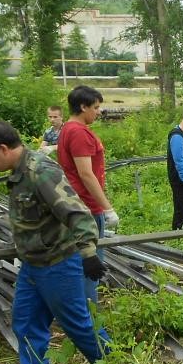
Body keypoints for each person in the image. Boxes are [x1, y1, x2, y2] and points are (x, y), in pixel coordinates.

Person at [0, 121, 111, 364]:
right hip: (33, 265)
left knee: (79, 325)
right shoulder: (19, 172)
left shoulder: (41, 172)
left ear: (2, 149)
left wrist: (88, 253)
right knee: (25, 321)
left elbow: (77, 213)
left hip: (58, 264)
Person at [57, 86, 117, 302]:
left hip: (76, 203)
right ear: (83, 107)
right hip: (87, 208)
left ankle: (80, 309)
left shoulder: (67, 128)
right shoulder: (78, 132)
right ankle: (89, 316)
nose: (99, 112)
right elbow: (86, 173)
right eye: (96, 107)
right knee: (90, 263)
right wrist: (107, 208)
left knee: (80, 261)